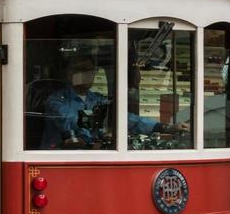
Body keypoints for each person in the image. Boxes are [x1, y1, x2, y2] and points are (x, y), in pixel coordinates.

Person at [39, 55, 181, 149]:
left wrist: (163, 127)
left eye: (91, 70)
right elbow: (69, 121)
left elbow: (125, 118)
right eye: (82, 70)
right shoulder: (56, 100)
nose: (88, 74)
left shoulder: (97, 99)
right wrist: (106, 123)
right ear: (70, 74)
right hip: (60, 160)